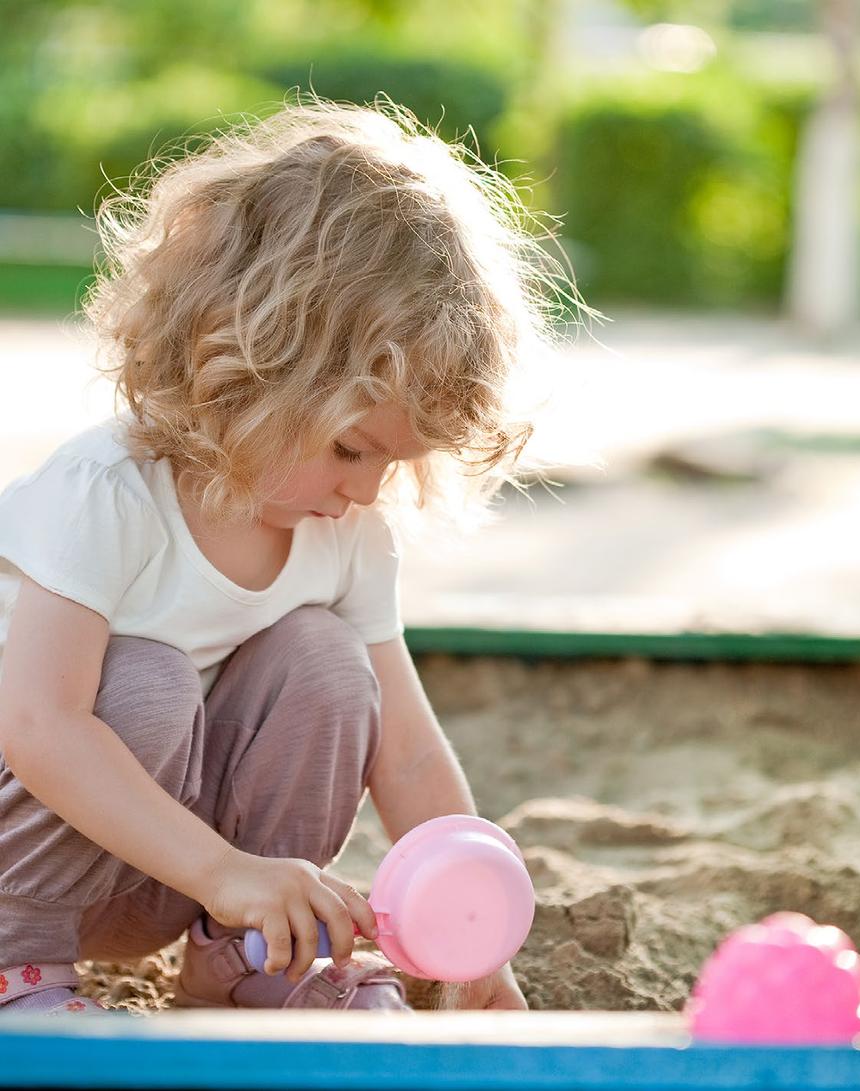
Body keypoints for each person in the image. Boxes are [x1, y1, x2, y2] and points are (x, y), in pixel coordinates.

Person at [0, 93, 596, 1015]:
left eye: (392, 462)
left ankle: (250, 956)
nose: (365, 488)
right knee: (148, 682)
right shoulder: (105, 494)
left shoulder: (345, 531)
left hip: (172, 875)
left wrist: (477, 929)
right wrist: (223, 865)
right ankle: (16, 968)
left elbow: (405, 754)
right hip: (30, 856)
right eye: (352, 449)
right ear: (248, 368)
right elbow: (38, 725)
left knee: (326, 661)